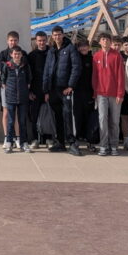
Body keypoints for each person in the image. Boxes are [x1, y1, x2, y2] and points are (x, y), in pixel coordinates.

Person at [42, 25, 82, 156]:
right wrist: (46, 90)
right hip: (53, 90)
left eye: (59, 34)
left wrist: (70, 86)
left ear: (63, 35)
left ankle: (72, 143)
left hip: (65, 89)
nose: (57, 37)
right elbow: (47, 70)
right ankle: (60, 142)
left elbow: (76, 67)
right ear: (52, 37)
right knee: (57, 117)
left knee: (68, 116)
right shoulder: (51, 50)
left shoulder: (70, 48)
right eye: (55, 35)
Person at [92, 32, 125, 156]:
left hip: (115, 94)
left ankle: (114, 145)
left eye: (107, 39)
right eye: (103, 39)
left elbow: (121, 75)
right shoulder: (96, 56)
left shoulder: (117, 55)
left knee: (115, 121)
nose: (105, 41)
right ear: (100, 42)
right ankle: (103, 145)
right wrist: (95, 92)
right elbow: (94, 76)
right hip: (101, 93)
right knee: (102, 119)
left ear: (110, 42)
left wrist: (120, 94)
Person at [0, 45, 32, 153]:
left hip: (23, 98)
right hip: (11, 97)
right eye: (15, 54)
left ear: (21, 55)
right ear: (11, 55)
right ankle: (9, 143)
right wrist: (8, 90)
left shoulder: (25, 66)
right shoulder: (7, 65)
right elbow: (3, 80)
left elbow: (29, 80)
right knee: (10, 121)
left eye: (18, 54)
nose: (17, 56)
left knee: (22, 121)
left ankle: (24, 143)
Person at [0, 31, 21, 144]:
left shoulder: (22, 53)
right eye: (11, 40)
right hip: (6, 87)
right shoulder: (2, 54)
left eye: (15, 40)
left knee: (16, 114)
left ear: (18, 41)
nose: (13, 42)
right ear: (7, 41)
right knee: (6, 112)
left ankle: (17, 137)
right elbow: (2, 69)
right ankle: (7, 137)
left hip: (19, 88)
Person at [27, 31, 50, 148]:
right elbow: (28, 75)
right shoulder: (31, 56)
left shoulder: (52, 53)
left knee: (49, 115)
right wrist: (29, 92)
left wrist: (49, 91)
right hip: (35, 91)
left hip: (49, 91)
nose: (42, 43)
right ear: (36, 41)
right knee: (34, 116)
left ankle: (48, 139)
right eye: (39, 41)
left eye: (43, 40)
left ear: (47, 40)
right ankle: (35, 139)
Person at [73, 39, 96, 151]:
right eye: (80, 46)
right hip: (77, 92)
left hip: (89, 93)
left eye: (85, 46)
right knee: (77, 117)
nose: (83, 48)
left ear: (88, 47)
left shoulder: (93, 59)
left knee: (89, 117)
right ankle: (77, 138)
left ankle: (90, 140)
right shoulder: (75, 59)